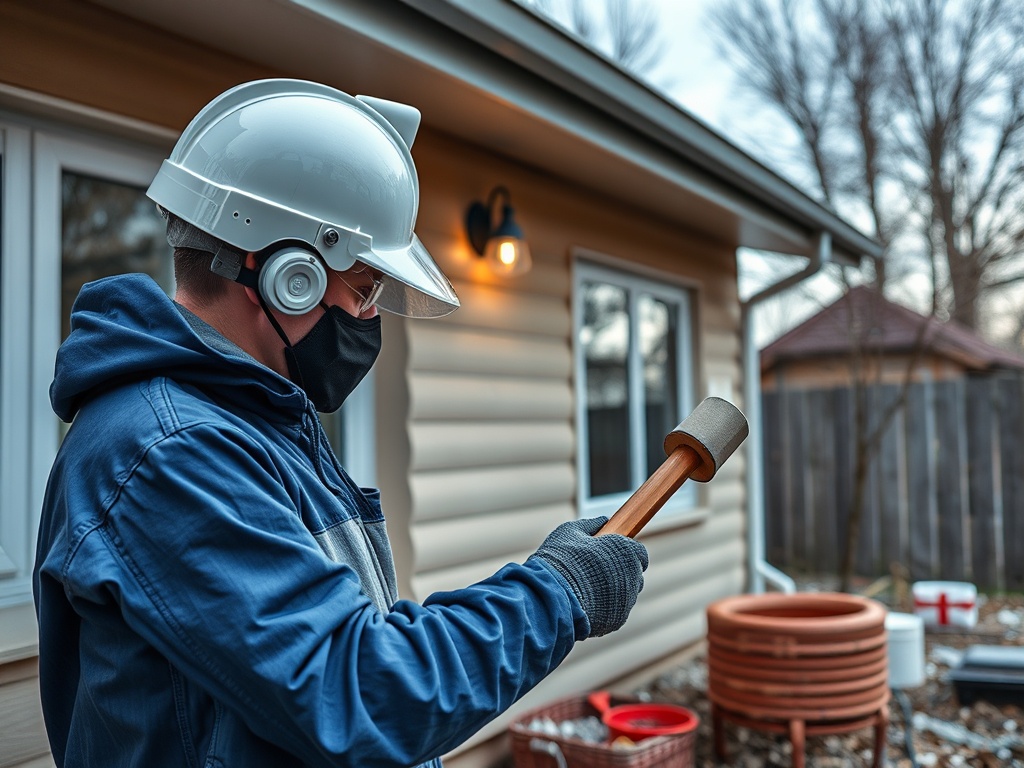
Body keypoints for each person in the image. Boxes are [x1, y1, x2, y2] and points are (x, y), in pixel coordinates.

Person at [33, 79, 648, 768]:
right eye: (361, 290)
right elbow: (357, 689)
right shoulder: (170, 453)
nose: (367, 319)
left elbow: (353, 651)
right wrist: (555, 592)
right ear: (287, 274)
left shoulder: (257, 423)